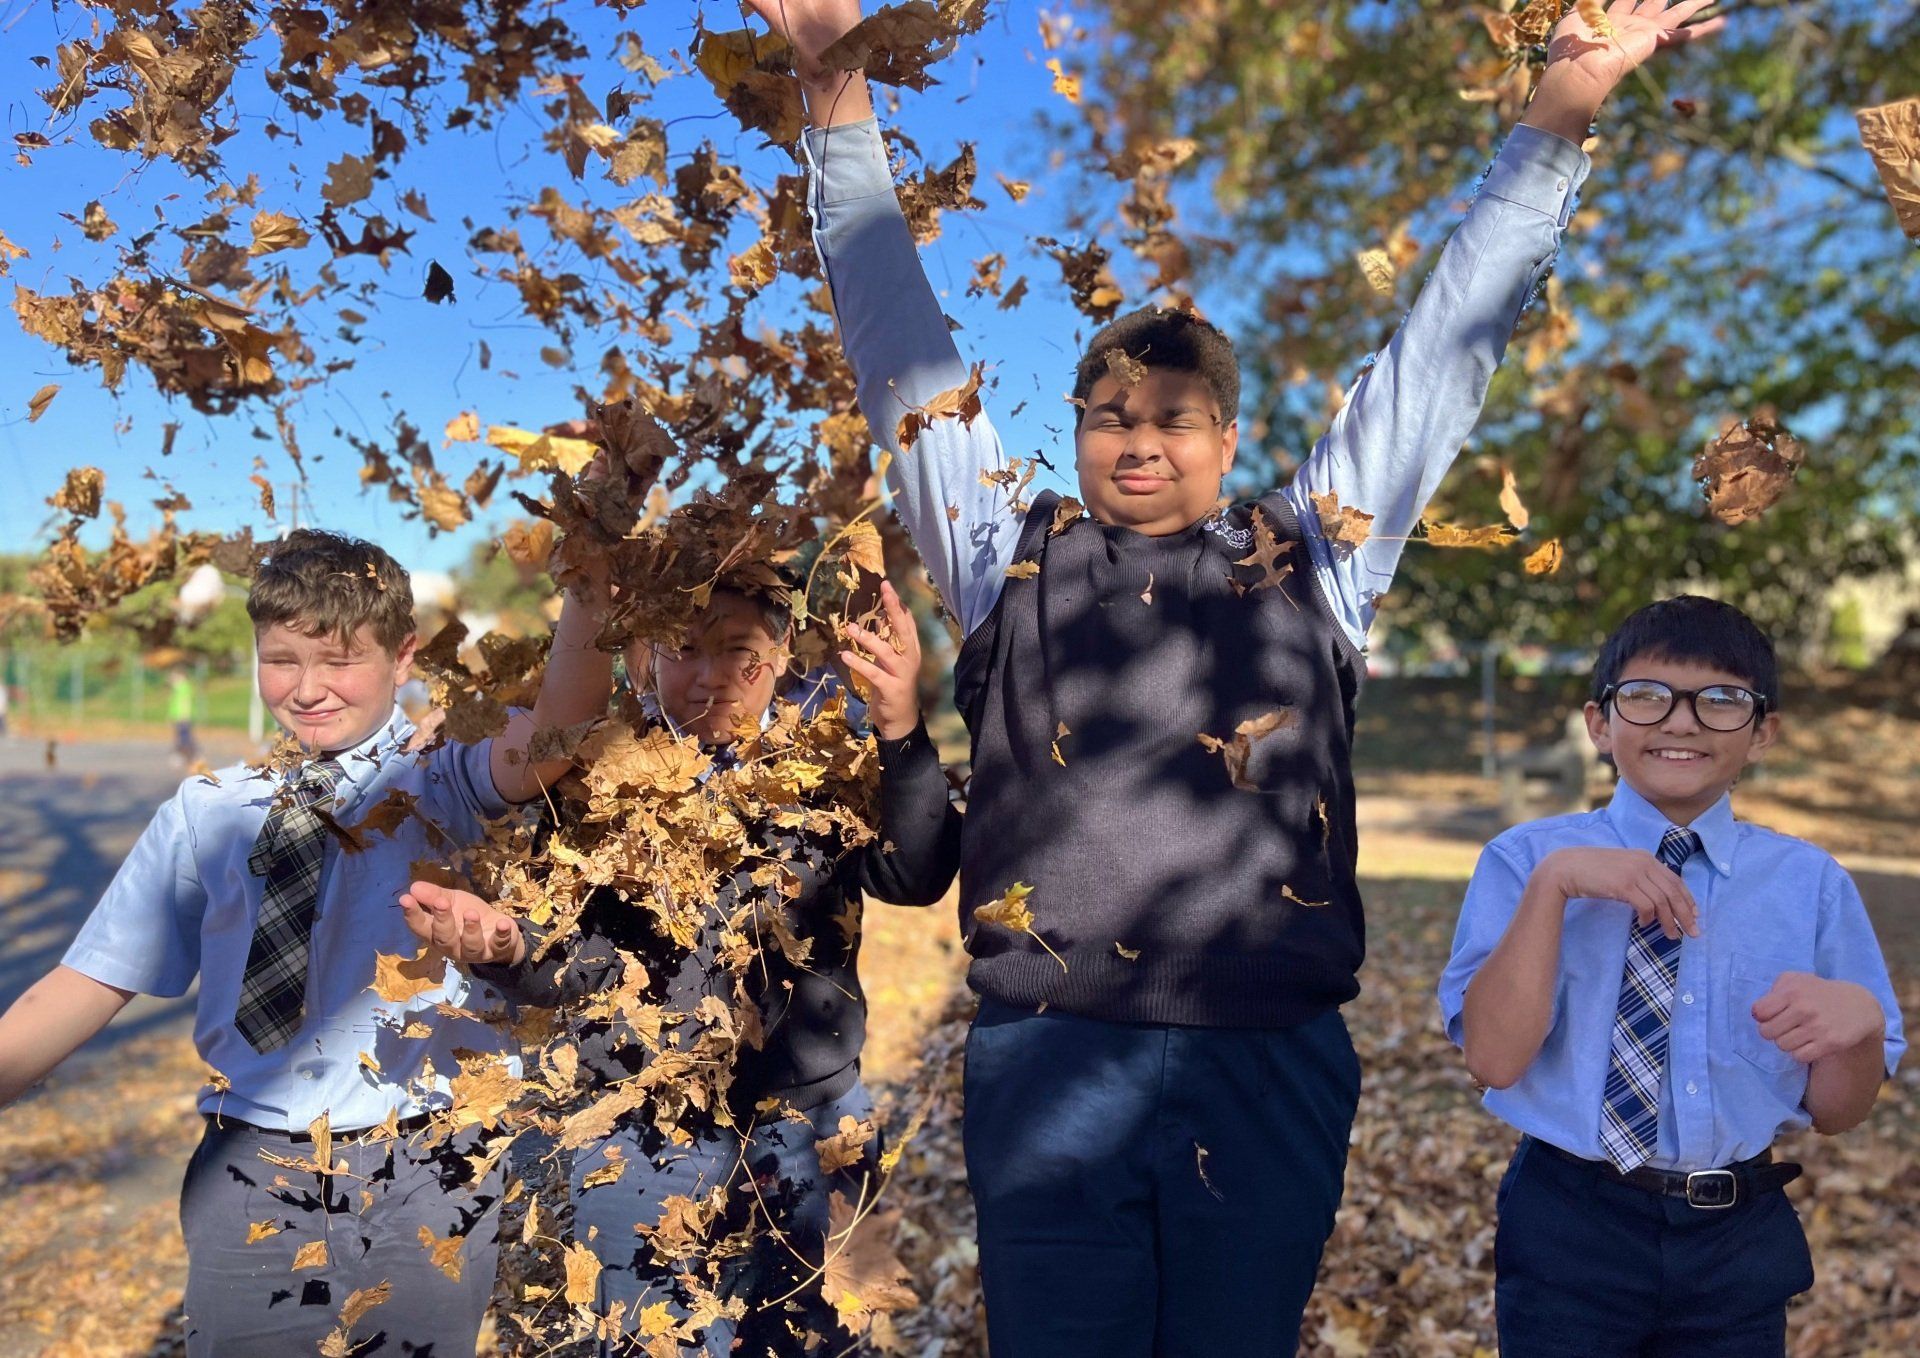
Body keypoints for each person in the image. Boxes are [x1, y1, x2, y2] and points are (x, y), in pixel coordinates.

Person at [731, 1, 1726, 1352]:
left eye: (1176, 419)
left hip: (1267, 1061)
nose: (1140, 442)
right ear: (1077, 430)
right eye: (1110, 418)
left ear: (1229, 436)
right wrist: (836, 94)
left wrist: (1562, 112)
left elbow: (1443, 354)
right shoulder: (1003, 554)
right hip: (1051, 1054)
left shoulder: (1315, 550)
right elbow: (896, 348)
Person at [0, 488, 643, 1356]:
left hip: (427, 1166)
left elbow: (558, 733)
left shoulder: (443, 774)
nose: (307, 689)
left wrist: (591, 576)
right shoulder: (207, 810)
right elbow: (90, 979)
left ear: (403, 655)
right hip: (252, 1163)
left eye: (339, 660)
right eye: (280, 660)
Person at [403, 578, 960, 1354]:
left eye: (740, 652)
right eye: (684, 650)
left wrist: (901, 733)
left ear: (781, 653)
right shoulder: (596, 774)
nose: (710, 677)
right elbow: (572, 964)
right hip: (644, 1139)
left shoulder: (826, 759)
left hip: (813, 1125)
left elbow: (915, 876)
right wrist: (508, 951)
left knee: (818, 1337)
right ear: (642, 658)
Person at [1439, 595, 1904, 1357]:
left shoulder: (1810, 884)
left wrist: (1858, 1025)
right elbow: (1493, 1060)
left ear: (1762, 733)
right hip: (1569, 1222)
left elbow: (1838, 1112)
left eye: (1721, 700)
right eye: (1648, 695)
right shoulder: (1525, 860)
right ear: (1600, 724)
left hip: (1736, 1237)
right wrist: (1555, 887)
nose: (1682, 722)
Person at [168, 664, 197, 765]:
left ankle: (189, 757)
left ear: (181, 676)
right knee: (181, 737)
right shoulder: (177, 688)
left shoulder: (184, 687)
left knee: (184, 738)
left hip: (183, 717)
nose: (172, 678)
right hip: (177, 716)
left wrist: (184, 715)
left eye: (175, 676)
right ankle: (186, 757)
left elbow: (185, 702)